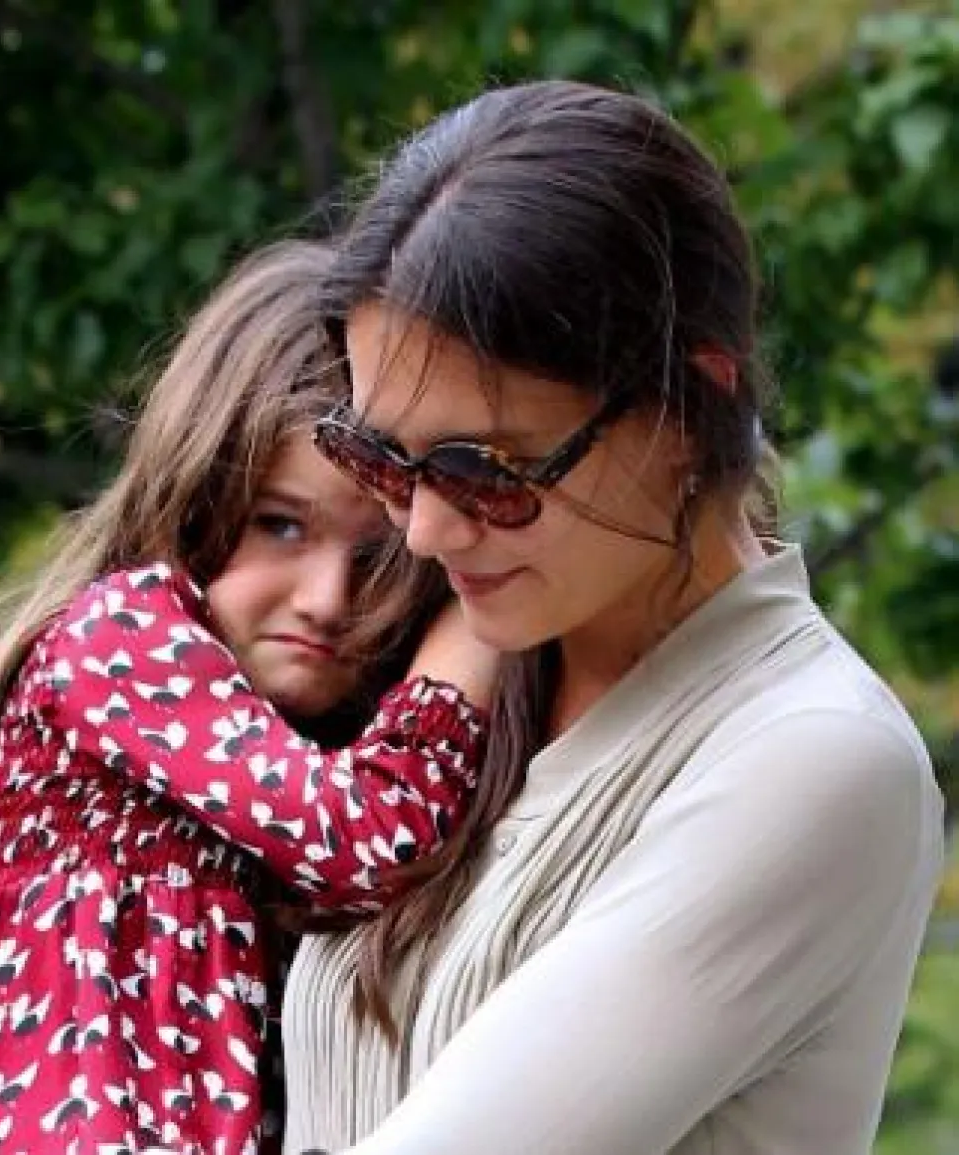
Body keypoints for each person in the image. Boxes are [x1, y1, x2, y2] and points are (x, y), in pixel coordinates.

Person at [282, 80, 945, 1155]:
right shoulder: (449, 668)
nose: (427, 531)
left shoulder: (816, 759)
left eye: (484, 470)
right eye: (382, 459)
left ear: (687, 406)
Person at [0, 239, 496, 1155]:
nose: (327, 598)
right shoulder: (121, 636)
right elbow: (368, 836)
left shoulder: (283, 765)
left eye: (377, 556)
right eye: (280, 524)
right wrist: (484, 610)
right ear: (194, 492)